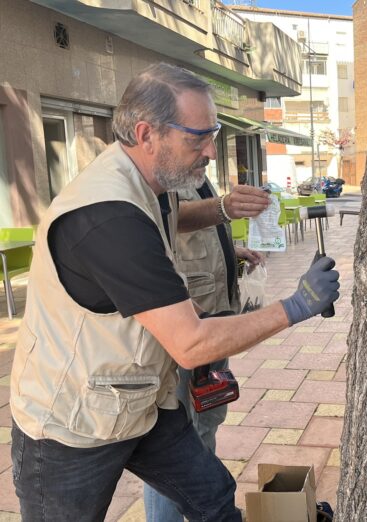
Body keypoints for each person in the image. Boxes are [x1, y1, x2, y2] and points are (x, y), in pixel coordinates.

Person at [10, 62, 339, 522]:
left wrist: (222, 208)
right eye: (197, 138)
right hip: (73, 423)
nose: (209, 151)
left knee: (210, 496)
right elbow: (191, 343)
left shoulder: (151, 181)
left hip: (138, 397)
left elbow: (171, 220)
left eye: (214, 134)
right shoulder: (108, 217)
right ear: (147, 134)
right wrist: (297, 305)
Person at [142, 176, 264, 521]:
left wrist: (230, 252)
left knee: (207, 416)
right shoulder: (154, 173)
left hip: (213, 318)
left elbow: (194, 237)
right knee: (174, 443)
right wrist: (223, 207)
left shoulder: (190, 169)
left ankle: (199, 507)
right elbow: (166, 219)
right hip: (186, 325)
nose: (210, 149)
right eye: (202, 136)